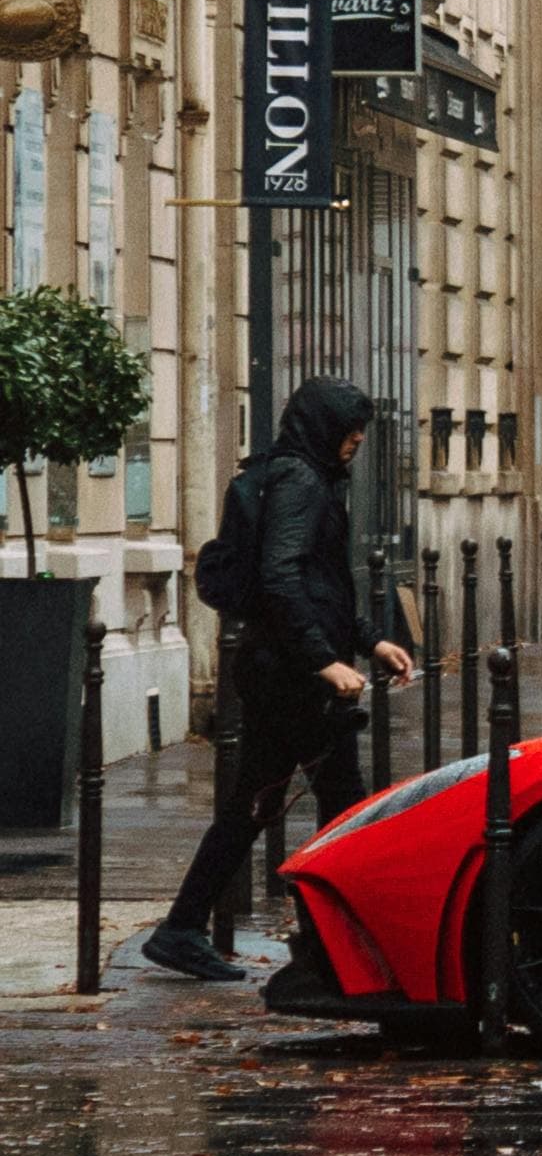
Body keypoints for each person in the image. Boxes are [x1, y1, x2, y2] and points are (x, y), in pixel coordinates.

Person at [145, 377, 412, 981]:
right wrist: (325, 661)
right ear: (323, 427)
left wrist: (370, 641)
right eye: (350, 429)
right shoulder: (299, 482)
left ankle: (185, 927)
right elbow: (281, 578)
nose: (358, 439)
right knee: (342, 805)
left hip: (279, 671)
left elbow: (322, 584)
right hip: (293, 678)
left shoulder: (293, 473)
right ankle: (328, 942)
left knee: (255, 805)